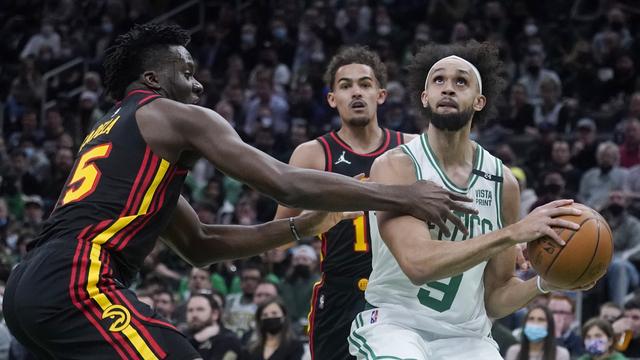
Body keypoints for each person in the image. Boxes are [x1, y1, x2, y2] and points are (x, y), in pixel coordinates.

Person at [1, 24, 473, 359]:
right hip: (77, 281)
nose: (198, 84)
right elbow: (279, 180)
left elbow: (201, 245)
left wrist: (295, 229)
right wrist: (400, 195)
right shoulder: (171, 114)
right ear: (153, 80)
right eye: (186, 73)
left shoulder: (113, 136)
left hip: (28, 291)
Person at [348, 41, 592, 359]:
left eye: (460, 81)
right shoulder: (397, 165)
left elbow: (495, 297)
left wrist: (548, 281)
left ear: (479, 101)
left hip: (468, 336)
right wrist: (512, 233)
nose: (448, 88)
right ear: (425, 97)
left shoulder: (502, 181)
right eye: (438, 80)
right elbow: (417, 264)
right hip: (396, 327)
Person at [274, 45, 416, 360]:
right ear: (332, 99)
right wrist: (311, 222)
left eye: (365, 84)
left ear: (381, 94)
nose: (356, 92)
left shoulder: (412, 148)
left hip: (401, 292)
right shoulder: (311, 154)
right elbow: (274, 246)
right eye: (345, 85)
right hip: (340, 294)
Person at [186, 293, 244, 360]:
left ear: (215, 314)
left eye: (200, 309)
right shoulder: (183, 336)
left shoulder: (228, 339)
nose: (194, 315)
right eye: (190, 310)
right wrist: (195, 340)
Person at [505, 305, 570, 360]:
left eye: (541, 319)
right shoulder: (513, 352)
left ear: (549, 325)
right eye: (531, 319)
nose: (535, 323)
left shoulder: (561, 354)